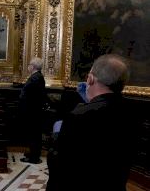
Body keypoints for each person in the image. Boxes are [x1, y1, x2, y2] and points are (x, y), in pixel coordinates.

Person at [46, 54, 138, 191]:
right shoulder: (132, 112)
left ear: (90, 79)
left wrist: (56, 136)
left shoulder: (79, 116)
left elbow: (60, 166)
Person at [19, 57, 46, 164]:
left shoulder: (35, 78)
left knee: (34, 135)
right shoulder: (37, 77)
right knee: (34, 134)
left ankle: (34, 158)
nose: (28, 66)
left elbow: (26, 94)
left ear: (33, 66)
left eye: (29, 64)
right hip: (34, 111)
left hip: (32, 112)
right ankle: (33, 154)